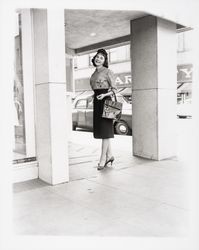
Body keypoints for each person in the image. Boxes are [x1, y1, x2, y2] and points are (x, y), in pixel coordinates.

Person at [90, 48, 117, 170]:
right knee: (103, 131)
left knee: (105, 131)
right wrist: (94, 96)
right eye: (97, 56)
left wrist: (104, 95)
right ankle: (110, 155)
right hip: (97, 101)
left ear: (104, 60)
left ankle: (103, 159)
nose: (98, 58)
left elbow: (114, 89)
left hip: (107, 102)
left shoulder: (108, 71)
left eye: (101, 57)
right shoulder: (93, 74)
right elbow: (95, 89)